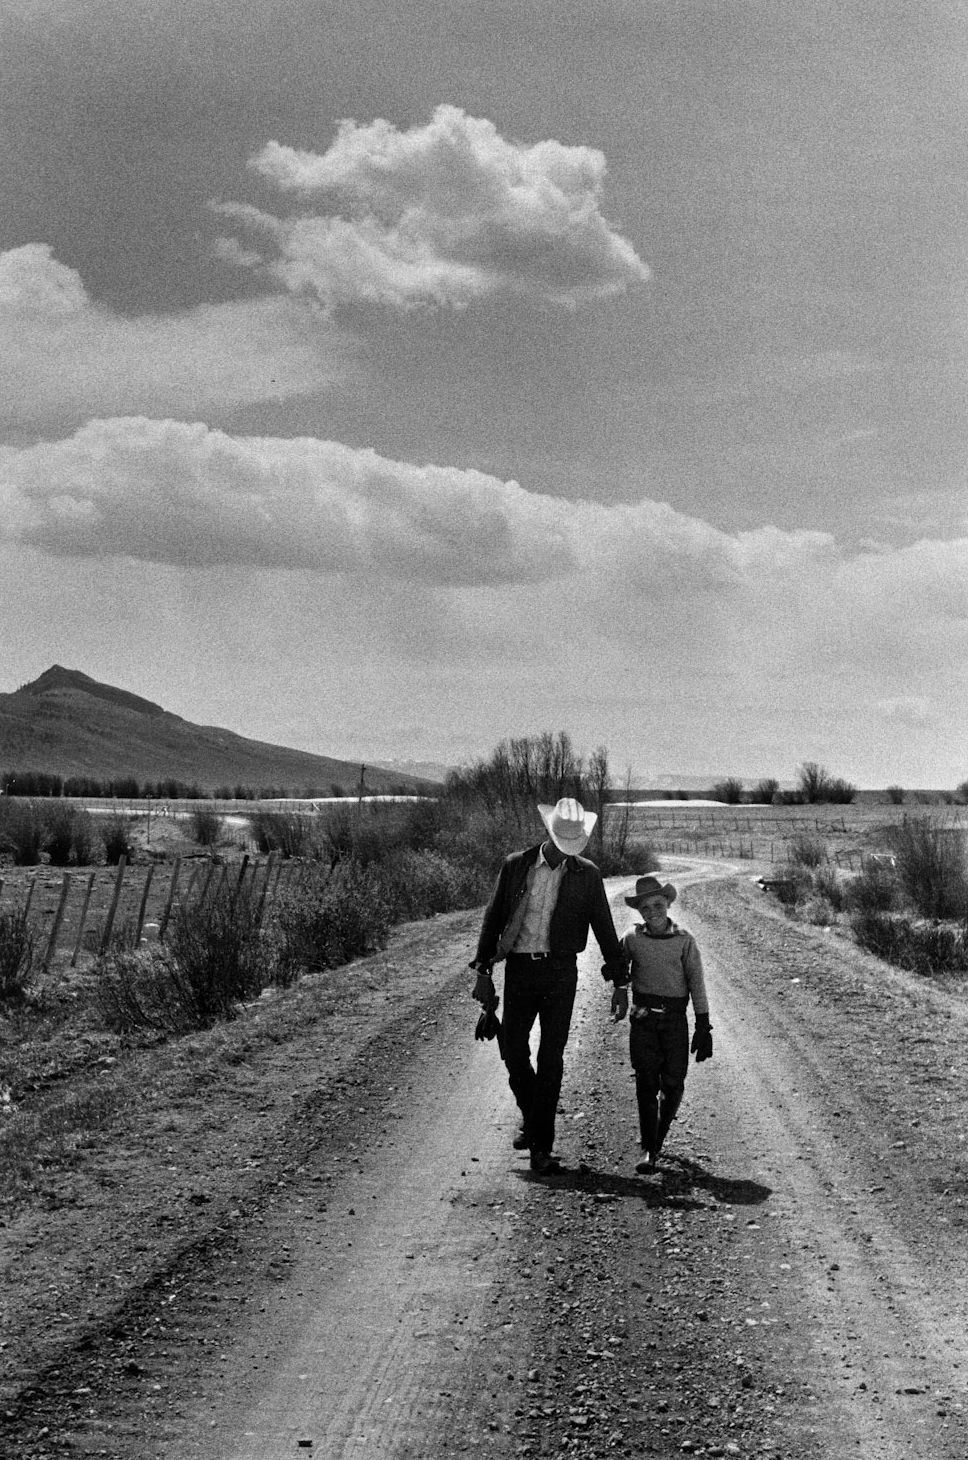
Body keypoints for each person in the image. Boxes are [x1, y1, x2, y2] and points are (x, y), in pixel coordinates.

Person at [470, 797, 627, 1174]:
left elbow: (604, 928)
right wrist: (483, 970)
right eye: (561, 842)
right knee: (512, 1049)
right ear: (548, 832)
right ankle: (533, 1116)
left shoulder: (587, 875)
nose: (565, 851)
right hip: (520, 970)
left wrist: (620, 981)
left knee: (551, 1058)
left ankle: (541, 1147)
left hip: (560, 973)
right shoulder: (516, 865)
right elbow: (493, 917)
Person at [610, 874, 713, 1174]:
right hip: (643, 1019)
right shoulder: (632, 938)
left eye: (657, 905)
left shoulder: (684, 940)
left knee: (674, 1082)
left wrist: (703, 1024)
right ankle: (649, 1148)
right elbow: (618, 967)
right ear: (639, 911)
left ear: (667, 904)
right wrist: (617, 983)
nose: (652, 912)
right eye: (645, 908)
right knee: (645, 1082)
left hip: (674, 1021)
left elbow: (696, 983)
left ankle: (659, 1135)